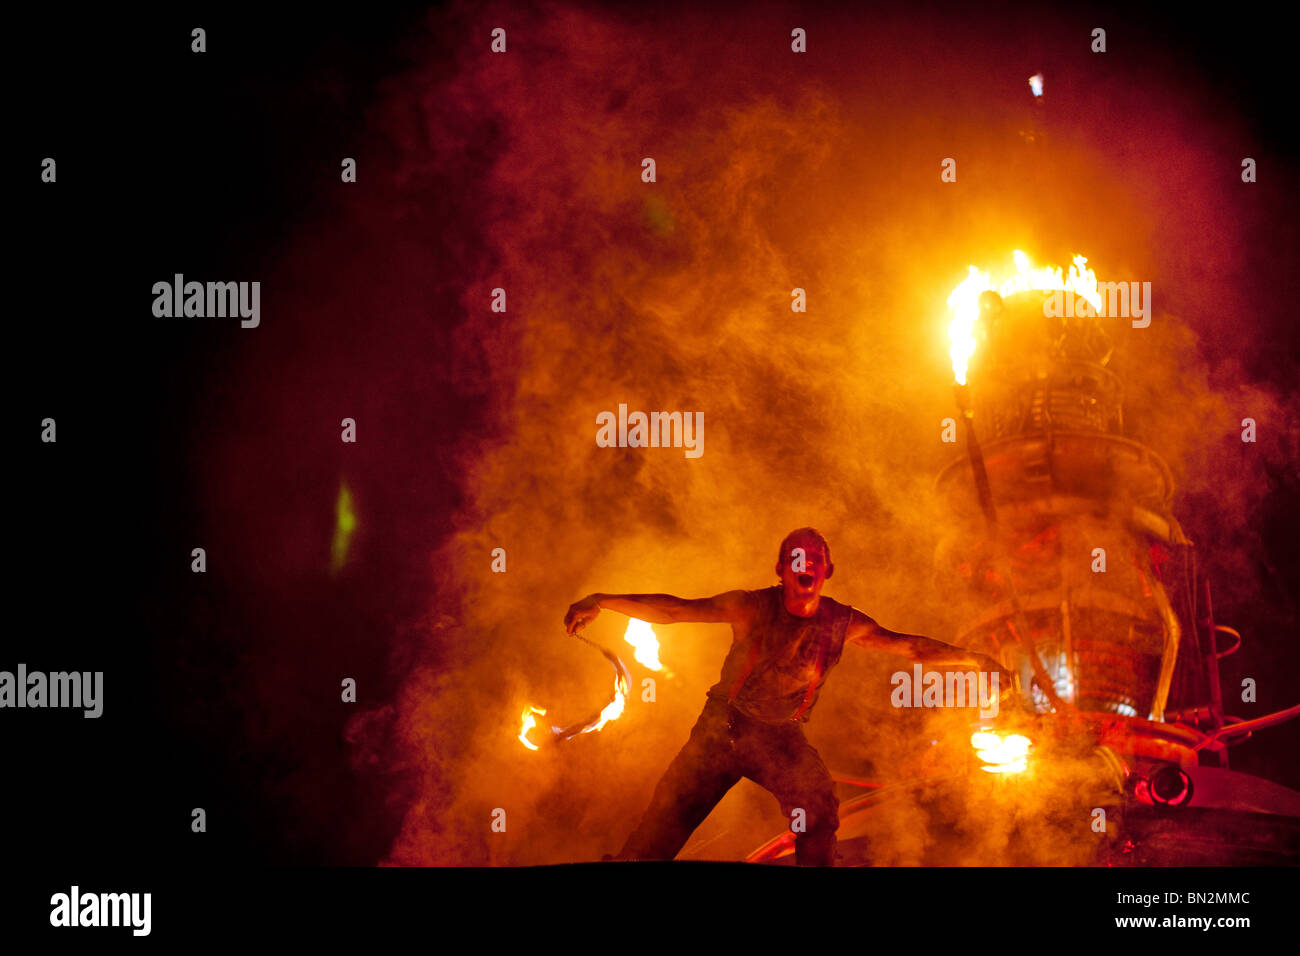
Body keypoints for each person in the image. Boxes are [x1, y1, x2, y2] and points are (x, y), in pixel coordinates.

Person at [563, 527, 1011, 865]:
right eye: (795, 557)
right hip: (723, 729)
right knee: (663, 826)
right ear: (780, 569)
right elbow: (674, 610)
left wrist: (976, 661)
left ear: (826, 571)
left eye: (815, 558)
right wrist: (603, 599)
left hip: (780, 736)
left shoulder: (843, 623)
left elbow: (909, 645)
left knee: (818, 805)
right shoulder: (751, 606)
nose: (805, 563)